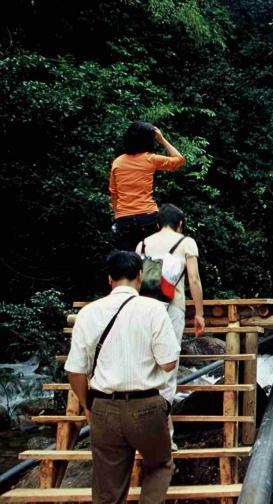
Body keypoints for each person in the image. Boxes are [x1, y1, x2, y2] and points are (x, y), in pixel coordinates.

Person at [65, 251, 180, 504]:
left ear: (109, 279)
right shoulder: (154, 309)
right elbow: (169, 363)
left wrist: (87, 405)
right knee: (159, 465)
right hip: (146, 407)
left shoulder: (88, 312)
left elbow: (75, 370)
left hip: (103, 408)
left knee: (107, 488)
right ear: (140, 277)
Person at [138, 204, 205, 449]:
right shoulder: (187, 243)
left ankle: (140, 432)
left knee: (146, 363)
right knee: (168, 367)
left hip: (144, 309)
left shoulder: (142, 244)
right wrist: (199, 313)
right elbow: (194, 279)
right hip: (172, 307)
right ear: (180, 224)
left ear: (158, 224)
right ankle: (164, 436)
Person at [110, 121, 185, 251]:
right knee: (151, 261)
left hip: (124, 218)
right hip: (148, 216)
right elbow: (179, 160)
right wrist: (162, 140)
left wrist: (120, 214)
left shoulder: (118, 162)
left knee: (126, 264)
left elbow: (114, 192)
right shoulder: (150, 159)